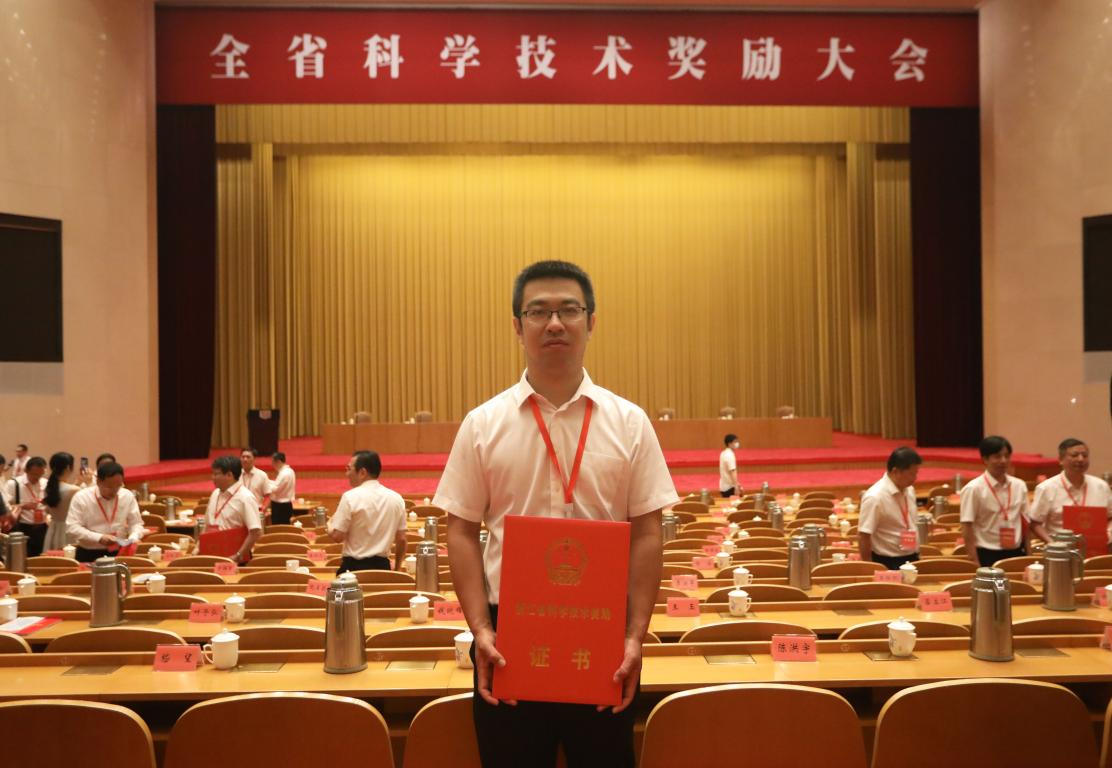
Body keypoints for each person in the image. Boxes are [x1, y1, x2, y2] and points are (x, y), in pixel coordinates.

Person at [434, 260, 678, 768]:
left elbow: (647, 532)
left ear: (591, 321)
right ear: (517, 325)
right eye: (538, 311)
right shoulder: (483, 424)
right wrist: (480, 629)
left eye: (569, 309)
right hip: (507, 639)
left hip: (603, 637)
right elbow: (460, 531)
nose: (554, 323)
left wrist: (634, 635)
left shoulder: (630, 423)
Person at [327, 450, 406, 573]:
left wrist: (329, 524)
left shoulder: (350, 497)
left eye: (349, 468)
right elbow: (402, 539)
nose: (346, 473)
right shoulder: (397, 498)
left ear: (362, 472)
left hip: (352, 570)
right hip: (383, 569)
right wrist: (397, 569)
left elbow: (337, 537)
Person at [959, 436, 1030, 567]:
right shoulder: (973, 489)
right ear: (985, 459)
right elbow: (966, 527)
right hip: (987, 554)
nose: (1003, 461)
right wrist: (974, 561)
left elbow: (1026, 523)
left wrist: (1029, 555)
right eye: (997, 456)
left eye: (1007, 456)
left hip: (1016, 552)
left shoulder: (1019, 486)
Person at [1029, 438, 1112, 543]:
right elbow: (1035, 523)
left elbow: (1110, 517)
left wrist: (1109, 533)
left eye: (1085, 455)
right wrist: (1053, 543)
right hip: (1062, 548)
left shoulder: (1101, 486)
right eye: (1074, 455)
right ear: (1061, 460)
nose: (1081, 459)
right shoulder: (1046, 488)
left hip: (1097, 546)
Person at [66, 462, 144, 562]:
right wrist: (99, 537)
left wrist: (133, 538)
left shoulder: (127, 496)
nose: (114, 491)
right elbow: (72, 527)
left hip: (120, 551)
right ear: (98, 481)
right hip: (89, 553)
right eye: (109, 487)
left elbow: (136, 523)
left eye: (118, 486)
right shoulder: (81, 497)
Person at [858, 447, 922, 569]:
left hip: (912, 557)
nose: (915, 478)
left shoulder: (909, 490)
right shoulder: (875, 497)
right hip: (887, 562)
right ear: (895, 471)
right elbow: (864, 535)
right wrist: (869, 567)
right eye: (911, 474)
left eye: (916, 473)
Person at [204, 456, 263, 565]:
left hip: (234, 559)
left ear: (229, 475)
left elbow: (255, 532)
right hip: (212, 554)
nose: (213, 477)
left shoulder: (245, 498)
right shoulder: (215, 494)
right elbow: (207, 525)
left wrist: (238, 556)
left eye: (216, 474)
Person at [1, 456, 48, 555]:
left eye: (40, 474)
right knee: (20, 557)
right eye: (34, 474)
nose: (37, 478)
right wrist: (22, 506)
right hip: (21, 527)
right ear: (26, 470)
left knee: (40, 557)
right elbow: (5, 507)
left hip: (42, 527)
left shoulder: (45, 483)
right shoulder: (13, 484)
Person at [43, 452, 80, 552]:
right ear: (68, 467)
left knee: (53, 558)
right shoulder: (74, 489)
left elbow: (49, 510)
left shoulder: (48, 488)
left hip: (53, 529)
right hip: (68, 530)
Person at [267, 452, 297, 525]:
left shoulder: (284, 473)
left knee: (279, 528)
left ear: (279, 462)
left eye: (273, 462)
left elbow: (275, 489)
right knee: (285, 526)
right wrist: (268, 481)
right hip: (286, 504)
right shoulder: (290, 471)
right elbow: (277, 484)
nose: (272, 465)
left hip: (280, 506)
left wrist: (265, 483)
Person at [719, 433, 741, 498]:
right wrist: (736, 487)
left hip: (724, 486)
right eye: (735, 442)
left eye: (737, 441)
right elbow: (732, 471)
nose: (737, 444)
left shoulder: (723, 453)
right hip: (729, 488)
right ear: (729, 444)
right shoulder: (729, 455)